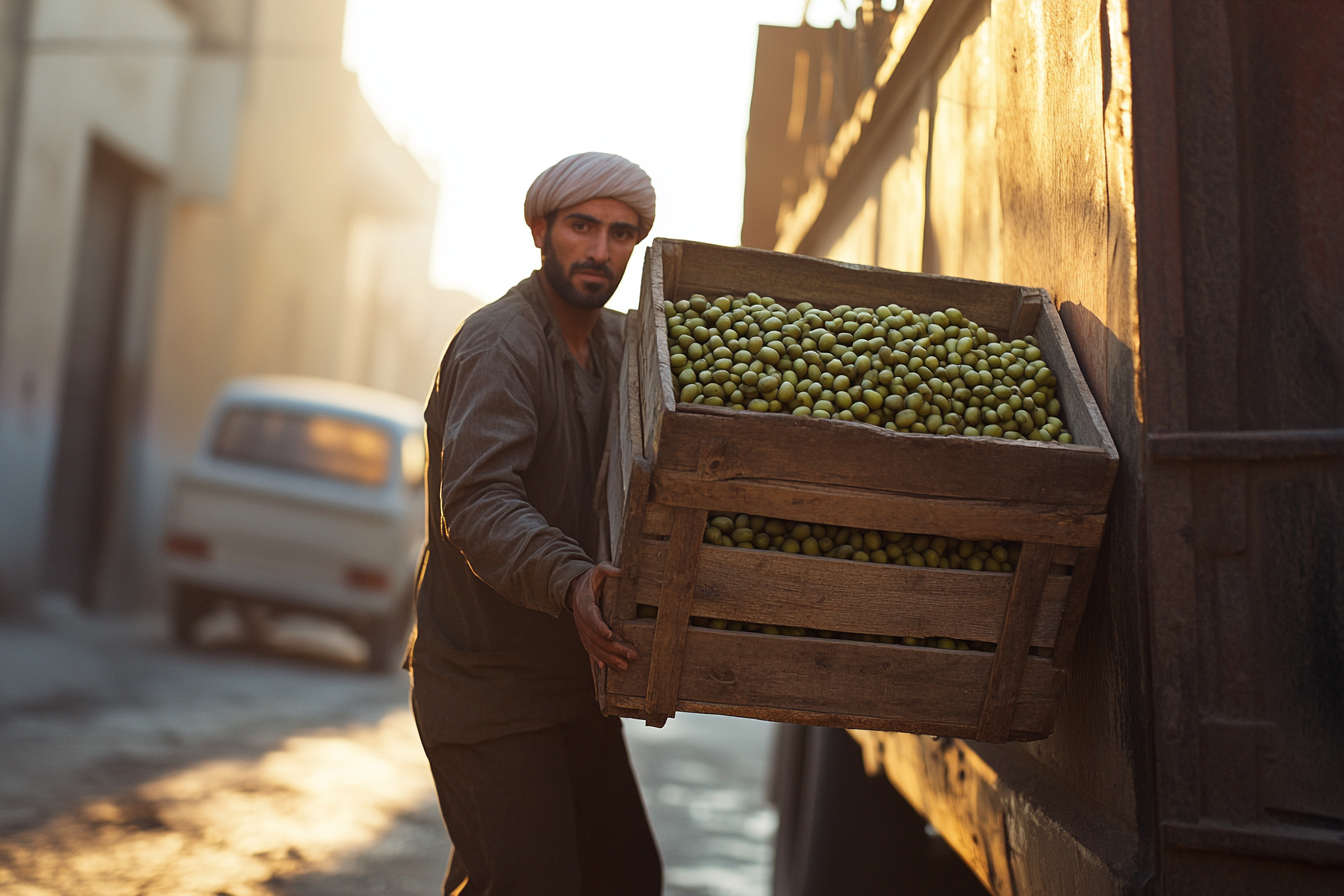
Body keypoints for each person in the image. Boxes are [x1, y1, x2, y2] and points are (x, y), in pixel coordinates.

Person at [406, 152, 662, 896]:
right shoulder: (501, 344)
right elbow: (479, 501)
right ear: (540, 231)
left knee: (625, 877)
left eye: (621, 234)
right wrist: (572, 578)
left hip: (571, 685)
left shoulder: (622, 347)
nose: (600, 250)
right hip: (485, 686)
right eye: (582, 227)